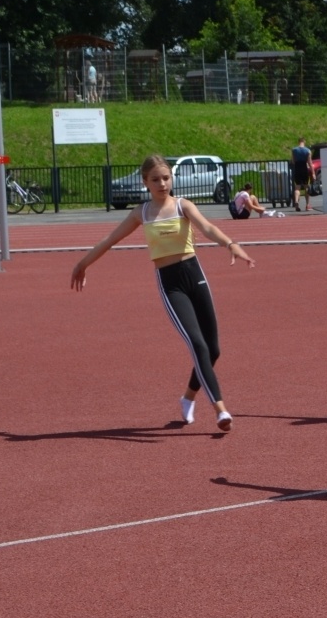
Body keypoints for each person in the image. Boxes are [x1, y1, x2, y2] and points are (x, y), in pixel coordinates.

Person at [70, 154, 255, 431]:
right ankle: (221, 409)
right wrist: (82, 264)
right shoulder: (141, 213)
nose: (162, 183)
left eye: (166, 178)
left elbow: (208, 228)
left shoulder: (183, 206)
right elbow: (109, 240)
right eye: (155, 179)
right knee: (198, 345)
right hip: (170, 284)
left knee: (213, 349)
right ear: (145, 182)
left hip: (195, 275)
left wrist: (231, 244)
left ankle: (187, 398)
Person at [289, 138, 313, 212]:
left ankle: (296, 202)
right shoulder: (307, 150)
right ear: (304, 142)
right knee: (306, 187)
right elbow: (310, 162)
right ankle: (307, 204)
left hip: (297, 168)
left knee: (297, 188)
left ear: (298, 142)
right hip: (304, 168)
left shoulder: (294, 150)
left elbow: (292, 161)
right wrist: (313, 173)